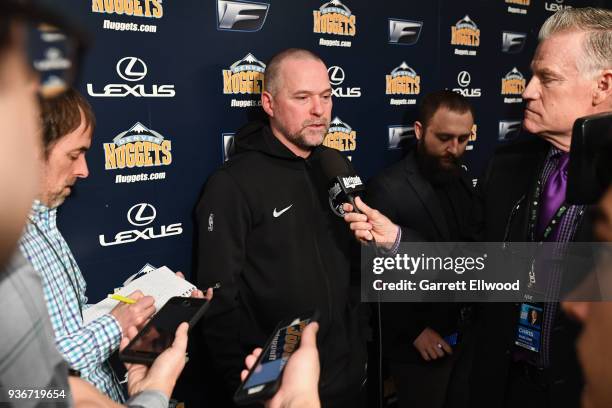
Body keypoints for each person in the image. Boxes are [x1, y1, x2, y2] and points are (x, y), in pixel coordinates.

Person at [0, 2, 191, 407]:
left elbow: (57, 339)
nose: (85, 170)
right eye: (74, 155)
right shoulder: (10, 247)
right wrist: (116, 325)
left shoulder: (41, 224)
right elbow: (27, 385)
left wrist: (139, 303)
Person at [195, 48, 367, 407]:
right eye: (302, 98)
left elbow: (355, 264)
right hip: (277, 391)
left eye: (326, 96)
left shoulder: (338, 165)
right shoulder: (232, 184)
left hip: (346, 378)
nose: (319, 110)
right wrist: (247, 392)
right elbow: (219, 303)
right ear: (269, 103)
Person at [467, 7, 612, 408]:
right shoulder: (506, 164)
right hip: (504, 385)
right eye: (532, 74)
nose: (527, 90)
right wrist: (395, 243)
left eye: (547, 78)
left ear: (603, 85)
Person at [343, 90, 481, 408]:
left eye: (463, 139)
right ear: (419, 131)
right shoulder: (387, 188)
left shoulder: (462, 180)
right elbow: (371, 274)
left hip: (462, 336)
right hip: (416, 347)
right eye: (445, 138)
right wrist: (413, 332)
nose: (455, 149)